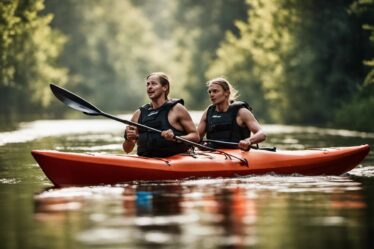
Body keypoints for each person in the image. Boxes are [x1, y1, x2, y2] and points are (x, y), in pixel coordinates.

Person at [123, 72, 199, 157]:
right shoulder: (138, 114)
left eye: (154, 84)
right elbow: (127, 150)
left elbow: (196, 137)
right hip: (146, 160)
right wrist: (128, 139)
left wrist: (175, 138)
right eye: (147, 84)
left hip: (175, 159)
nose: (149, 87)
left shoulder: (177, 109)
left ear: (165, 87)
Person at [197, 77, 266, 150]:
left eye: (215, 91)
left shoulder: (241, 112)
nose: (211, 94)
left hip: (236, 154)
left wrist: (248, 141)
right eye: (210, 92)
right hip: (213, 154)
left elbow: (262, 134)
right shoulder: (208, 112)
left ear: (227, 93)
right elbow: (196, 137)